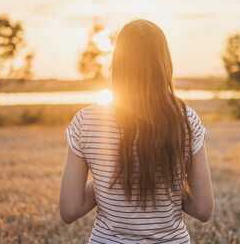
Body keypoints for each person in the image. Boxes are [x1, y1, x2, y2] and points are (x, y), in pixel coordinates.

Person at [59, 19, 213, 243]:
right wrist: (161, 180)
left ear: (119, 63)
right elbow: (203, 209)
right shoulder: (187, 120)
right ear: (164, 63)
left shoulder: (86, 122)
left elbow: (69, 209)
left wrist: (107, 182)